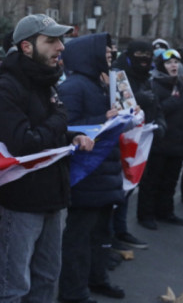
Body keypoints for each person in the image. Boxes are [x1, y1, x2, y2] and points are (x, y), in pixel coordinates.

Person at [0, 14, 94, 302]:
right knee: (13, 286)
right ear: (26, 47)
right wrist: (61, 120)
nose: (60, 47)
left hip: (54, 196)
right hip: (22, 202)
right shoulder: (7, 87)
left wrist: (71, 135)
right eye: (51, 41)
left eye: (60, 40)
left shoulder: (46, 80)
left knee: (47, 278)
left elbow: (46, 127)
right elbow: (25, 143)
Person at [57, 33, 126, 302]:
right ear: (90, 55)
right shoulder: (74, 86)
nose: (110, 54)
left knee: (101, 235)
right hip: (87, 174)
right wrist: (103, 117)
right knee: (79, 238)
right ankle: (72, 292)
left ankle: (97, 279)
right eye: (105, 51)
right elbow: (66, 128)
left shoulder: (99, 83)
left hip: (104, 172)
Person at [111, 40, 166, 250]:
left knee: (129, 186)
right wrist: (137, 99)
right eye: (140, 54)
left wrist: (161, 122)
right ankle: (110, 235)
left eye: (148, 54)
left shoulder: (147, 78)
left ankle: (121, 230)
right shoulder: (119, 75)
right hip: (122, 141)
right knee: (118, 188)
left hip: (141, 140)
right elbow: (118, 107)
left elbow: (157, 105)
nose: (144, 58)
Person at [136, 49, 183, 229]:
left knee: (170, 181)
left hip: (179, 143)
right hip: (159, 143)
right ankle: (146, 215)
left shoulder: (182, 86)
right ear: (161, 66)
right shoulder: (153, 85)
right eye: (169, 62)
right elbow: (152, 112)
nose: (173, 65)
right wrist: (171, 103)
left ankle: (166, 212)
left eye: (176, 62)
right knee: (151, 181)